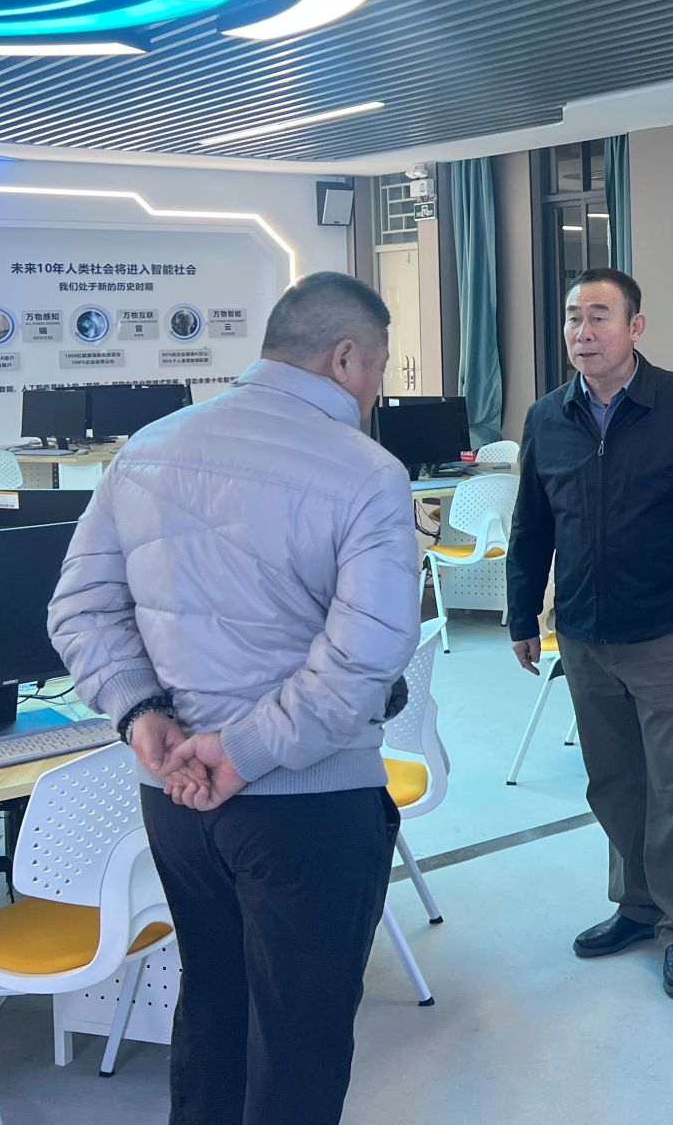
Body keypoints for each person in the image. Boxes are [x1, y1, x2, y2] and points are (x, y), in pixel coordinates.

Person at [48, 272, 419, 1125]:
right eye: (378, 366)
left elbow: (80, 609)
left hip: (176, 802)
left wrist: (141, 715)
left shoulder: (147, 448)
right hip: (307, 803)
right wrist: (243, 752)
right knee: (299, 1044)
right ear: (346, 357)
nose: (376, 387)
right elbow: (364, 656)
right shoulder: (367, 473)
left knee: (212, 1010)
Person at [506, 268, 673, 1000]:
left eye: (599, 316)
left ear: (635, 327)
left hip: (666, 629)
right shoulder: (547, 417)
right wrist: (522, 615)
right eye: (573, 317)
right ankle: (637, 908)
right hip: (583, 631)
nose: (582, 332)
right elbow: (531, 526)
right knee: (613, 781)